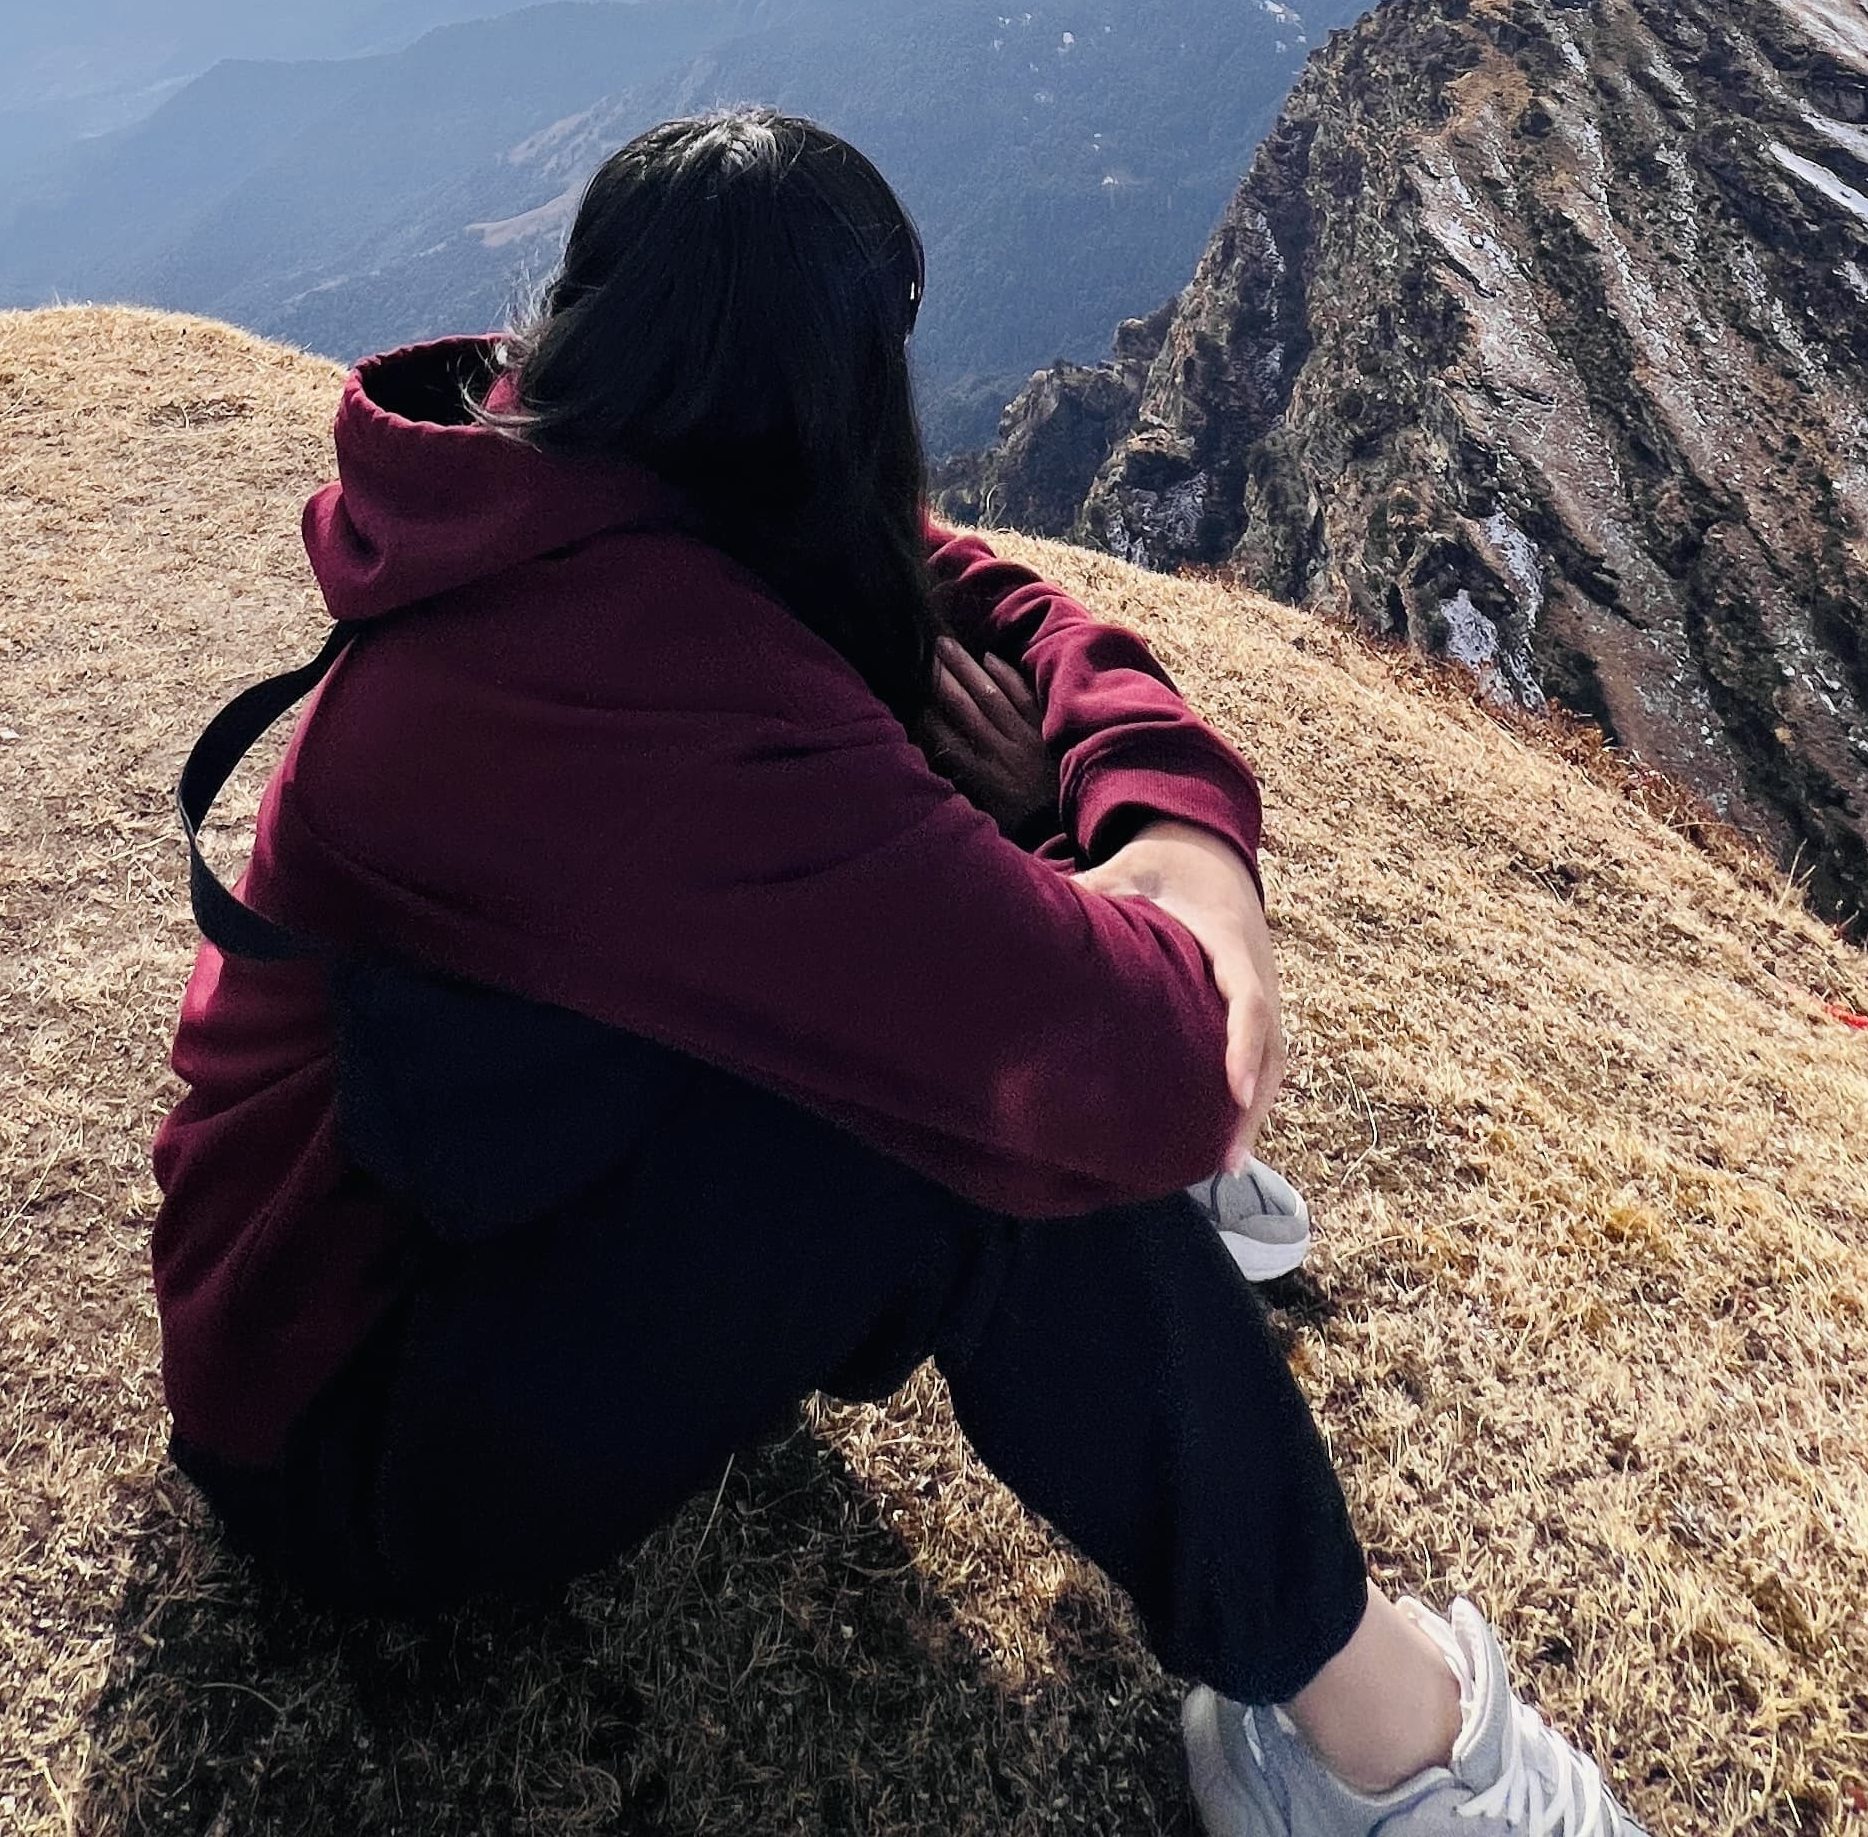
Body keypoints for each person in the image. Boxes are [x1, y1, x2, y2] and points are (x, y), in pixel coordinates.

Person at [152, 109, 1647, 1837]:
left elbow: (958, 593)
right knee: (976, 1142)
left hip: (419, 1226)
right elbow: (1179, 1064)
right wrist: (1177, 886)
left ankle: (1137, 1268)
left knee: (976, 1011)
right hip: (352, 1422)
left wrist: (1125, 789)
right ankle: (1375, 1748)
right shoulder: (656, 691)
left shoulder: (543, 493)